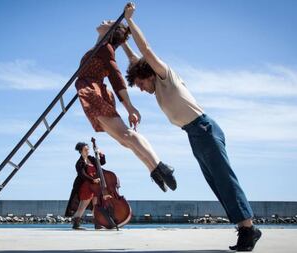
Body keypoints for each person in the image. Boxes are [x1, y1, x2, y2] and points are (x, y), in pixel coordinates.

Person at [121, 2, 262, 251]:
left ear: (150, 73)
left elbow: (146, 50)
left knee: (225, 179)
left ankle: (248, 230)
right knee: (216, 183)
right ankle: (245, 228)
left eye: (140, 83)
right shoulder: (155, 87)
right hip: (194, 134)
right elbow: (135, 59)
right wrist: (121, 39)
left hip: (204, 129)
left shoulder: (164, 75)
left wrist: (130, 21)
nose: (141, 89)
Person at [74, 20, 176, 192]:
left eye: (109, 22)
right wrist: (121, 38)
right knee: (124, 140)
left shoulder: (105, 48)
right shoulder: (101, 47)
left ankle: (160, 166)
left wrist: (129, 107)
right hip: (90, 91)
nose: (104, 21)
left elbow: (116, 77)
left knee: (127, 135)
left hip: (93, 92)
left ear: (112, 31)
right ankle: (154, 171)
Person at [65, 142, 103, 229]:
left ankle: (97, 224)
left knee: (95, 205)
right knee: (82, 206)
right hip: (86, 186)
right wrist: (93, 180)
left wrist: (100, 153)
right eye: (85, 150)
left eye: (88, 149)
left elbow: (102, 163)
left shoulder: (91, 159)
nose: (87, 151)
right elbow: (82, 175)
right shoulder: (79, 162)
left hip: (95, 185)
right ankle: (76, 224)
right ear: (81, 151)